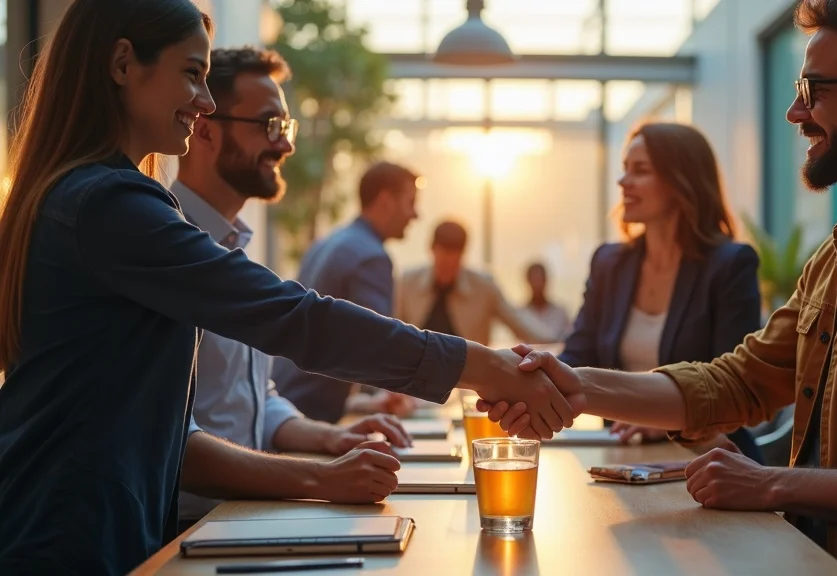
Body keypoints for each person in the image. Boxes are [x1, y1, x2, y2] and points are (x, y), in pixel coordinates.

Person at [0, 2, 578, 573]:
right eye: (191, 74)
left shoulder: (87, 197)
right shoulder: (109, 205)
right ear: (123, 64)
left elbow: (161, 430)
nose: (204, 103)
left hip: (85, 530)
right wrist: (484, 368)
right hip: (68, 540)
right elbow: (295, 318)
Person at [484, 1, 837, 574]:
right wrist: (580, 387)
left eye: (815, 90)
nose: (795, 111)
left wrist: (771, 484)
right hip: (796, 556)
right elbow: (738, 381)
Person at [173, 46, 420, 531]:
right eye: (269, 125)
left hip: (245, 515)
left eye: (286, 128)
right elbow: (176, 441)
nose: (285, 146)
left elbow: (256, 402)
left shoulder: (235, 246)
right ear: (204, 129)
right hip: (190, 528)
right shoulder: (164, 251)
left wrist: (334, 439)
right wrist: (321, 477)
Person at [557, 123, 764, 461]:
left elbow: (734, 387)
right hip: (623, 457)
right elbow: (577, 356)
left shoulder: (730, 265)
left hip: (709, 455)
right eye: (625, 169)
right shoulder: (610, 263)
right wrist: (526, 372)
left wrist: (668, 419)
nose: (623, 182)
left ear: (681, 182)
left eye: (640, 171)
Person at [274, 161, 421, 423]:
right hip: (311, 419)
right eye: (410, 202)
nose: (415, 214)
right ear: (386, 200)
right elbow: (380, 349)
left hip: (284, 402)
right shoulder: (371, 257)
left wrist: (364, 401)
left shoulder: (326, 243)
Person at [395, 220, 552, 346]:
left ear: (463, 255)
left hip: (467, 380)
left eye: (454, 261)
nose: (448, 268)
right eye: (443, 260)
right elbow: (393, 330)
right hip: (414, 379)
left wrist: (563, 342)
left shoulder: (483, 286)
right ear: (432, 249)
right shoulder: (408, 282)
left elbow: (519, 323)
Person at [519, 262, 572, 342]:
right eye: (534, 280)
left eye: (540, 279)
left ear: (546, 281)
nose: (537, 284)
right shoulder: (521, 314)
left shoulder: (560, 313)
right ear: (528, 281)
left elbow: (568, 341)